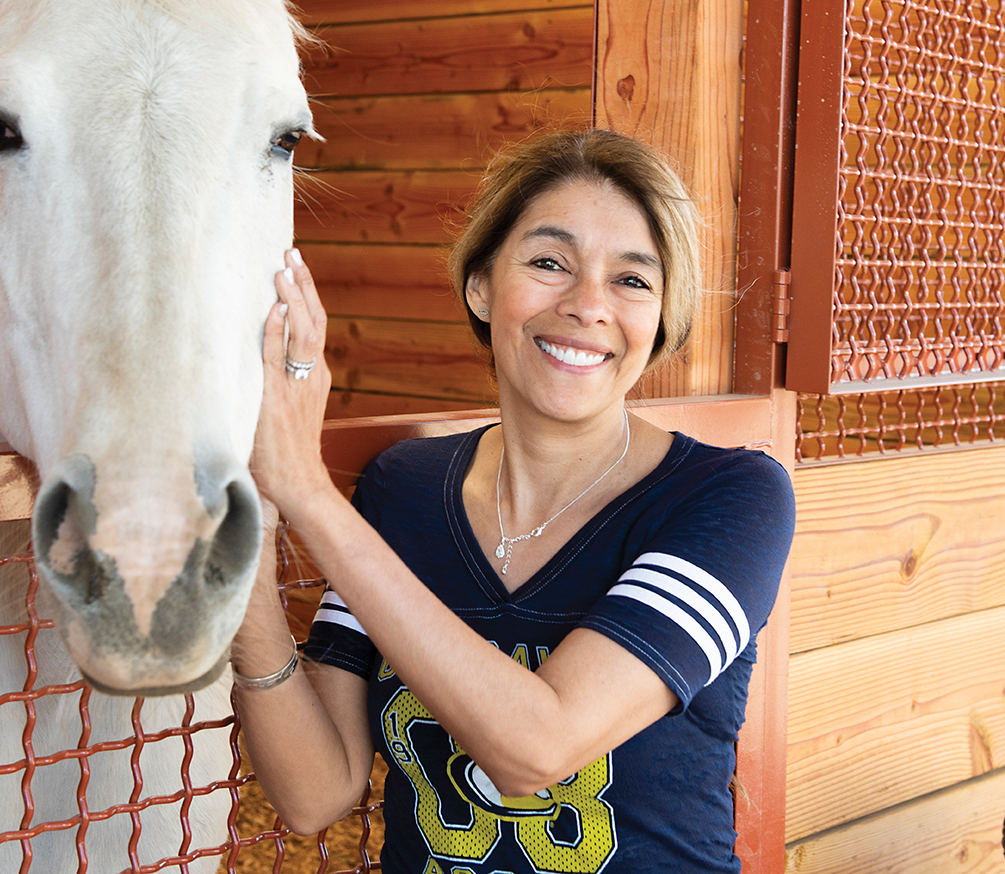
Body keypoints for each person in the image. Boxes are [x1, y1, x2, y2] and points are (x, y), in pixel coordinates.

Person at [232, 129, 795, 874]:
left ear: (661, 317)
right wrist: (243, 535)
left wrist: (305, 489)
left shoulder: (730, 498)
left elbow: (538, 748)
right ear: (482, 285)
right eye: (548, 262)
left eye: (632, 280)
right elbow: (315, 792)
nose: (588, 304)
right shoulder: (403, 487)